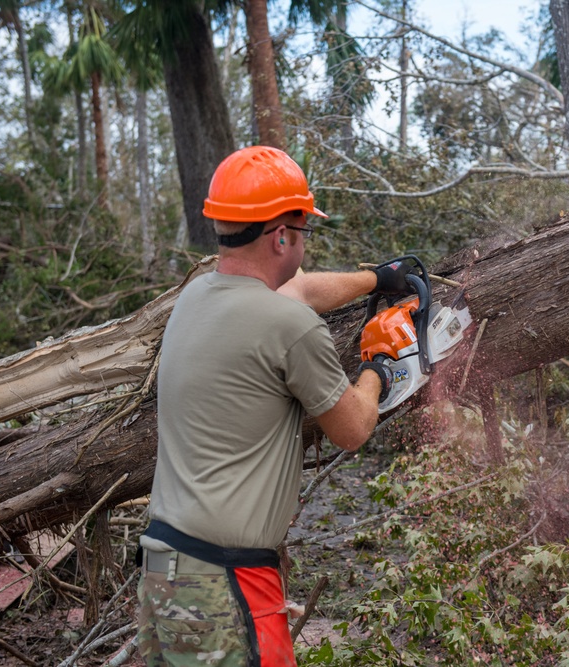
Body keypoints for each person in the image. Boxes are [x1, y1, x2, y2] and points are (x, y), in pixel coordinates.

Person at [137, 145, 412, 667]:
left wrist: (380, 278)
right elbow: (352, 428)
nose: (304, 240)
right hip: (226, 581)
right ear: (281, 235)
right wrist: (379, 363)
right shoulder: (289, 328)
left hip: (163, 569)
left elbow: (300, 289)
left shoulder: (197, 295)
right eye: (304, 229)